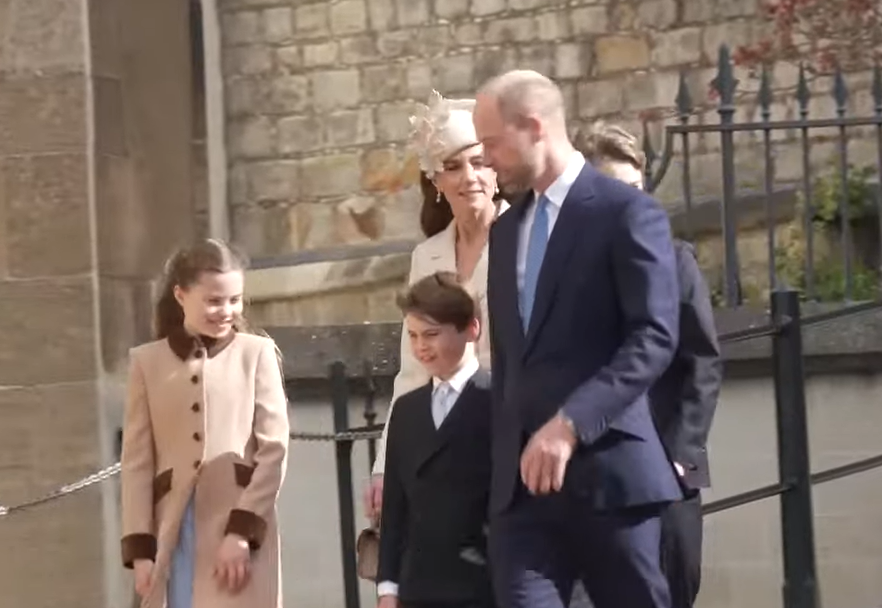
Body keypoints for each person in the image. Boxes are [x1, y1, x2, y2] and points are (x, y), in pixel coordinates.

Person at [473, 70, 683, 608]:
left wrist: (570, 424)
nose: (486, 159)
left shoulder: (626, 213)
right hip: (523, 501)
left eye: (493, 143)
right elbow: (510, 361)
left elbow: (653, 337)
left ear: (534, 126)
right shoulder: (504, 231)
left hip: (611, 480)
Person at [572, 121, 723, 608]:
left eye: (638, 190)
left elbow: (701, 361)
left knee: (674, 589)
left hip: (667, 469)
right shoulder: (564, 271)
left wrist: (680, 453)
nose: (632, 204)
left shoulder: (675, 260)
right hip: (593, 476)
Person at [120, 238, 290, 608]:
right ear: (181, 295)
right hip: (173, 533)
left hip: (238, 527)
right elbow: (136, 463)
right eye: (214, 300)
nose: (225, 311)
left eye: (234, 300)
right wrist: (141, 549)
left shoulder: (256, 353)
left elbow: (274, 449)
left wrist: (242, 532)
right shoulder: (146, 363)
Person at [363, 90, 507, 523]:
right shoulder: (426, 257)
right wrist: (385, 465)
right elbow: (413, 366)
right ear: (437, 183)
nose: (469, 177)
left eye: (478, 162)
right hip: (443, 440)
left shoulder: (524, 237)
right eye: (452, 167)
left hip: (508, 430)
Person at [377, 271, 495, 608]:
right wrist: (388, 587)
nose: (420, 347)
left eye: (431, 334)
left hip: (482, 584)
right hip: (419, 585)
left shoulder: (500, 402)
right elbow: (395, 507)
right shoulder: (406, 410)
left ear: (472, 328)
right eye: (413, 336)